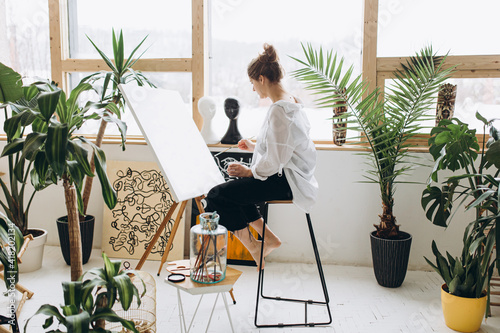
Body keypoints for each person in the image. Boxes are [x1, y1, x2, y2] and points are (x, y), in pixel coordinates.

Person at [205, 43, 318, 269]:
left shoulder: (279, 109)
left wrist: (249, 170)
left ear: (262, 78)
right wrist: (255, 146)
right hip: (294, 179)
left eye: (252, 83)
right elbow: (284, 147)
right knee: (238, 190)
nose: (254, 89)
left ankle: (255, 246)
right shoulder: (292, 102)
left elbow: (276, 160)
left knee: (216, 196)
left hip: (285, 182)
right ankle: (268, 239)